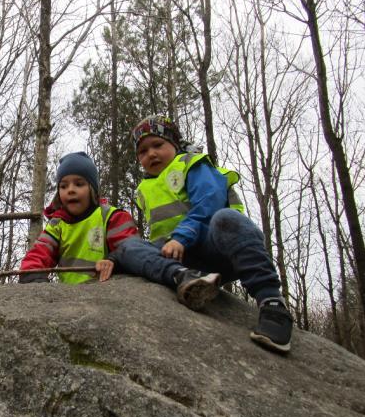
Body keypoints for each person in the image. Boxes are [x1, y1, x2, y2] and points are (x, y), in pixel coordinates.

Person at [110, 114, 294, 353]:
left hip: (217, 248)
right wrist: (116, 259)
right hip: (182, 260)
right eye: (143, 151)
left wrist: (181, 237)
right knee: (127, 246)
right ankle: (183, 278)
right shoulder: (145, 187)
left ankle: (272, 303)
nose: (151, 154)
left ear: (174, 144)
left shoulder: (192, 164)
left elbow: (210, 204)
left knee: (226, 218)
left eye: (158, 145)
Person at [19, 152, 139, 284]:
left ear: (92, 189)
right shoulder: (57, 225)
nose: (70, 190)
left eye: (79, 184)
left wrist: (113, 261)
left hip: (107, 291)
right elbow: (39, 254)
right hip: (69, 298)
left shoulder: (111, 217)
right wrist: (31, 274)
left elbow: (131, 249)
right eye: (63, 186)